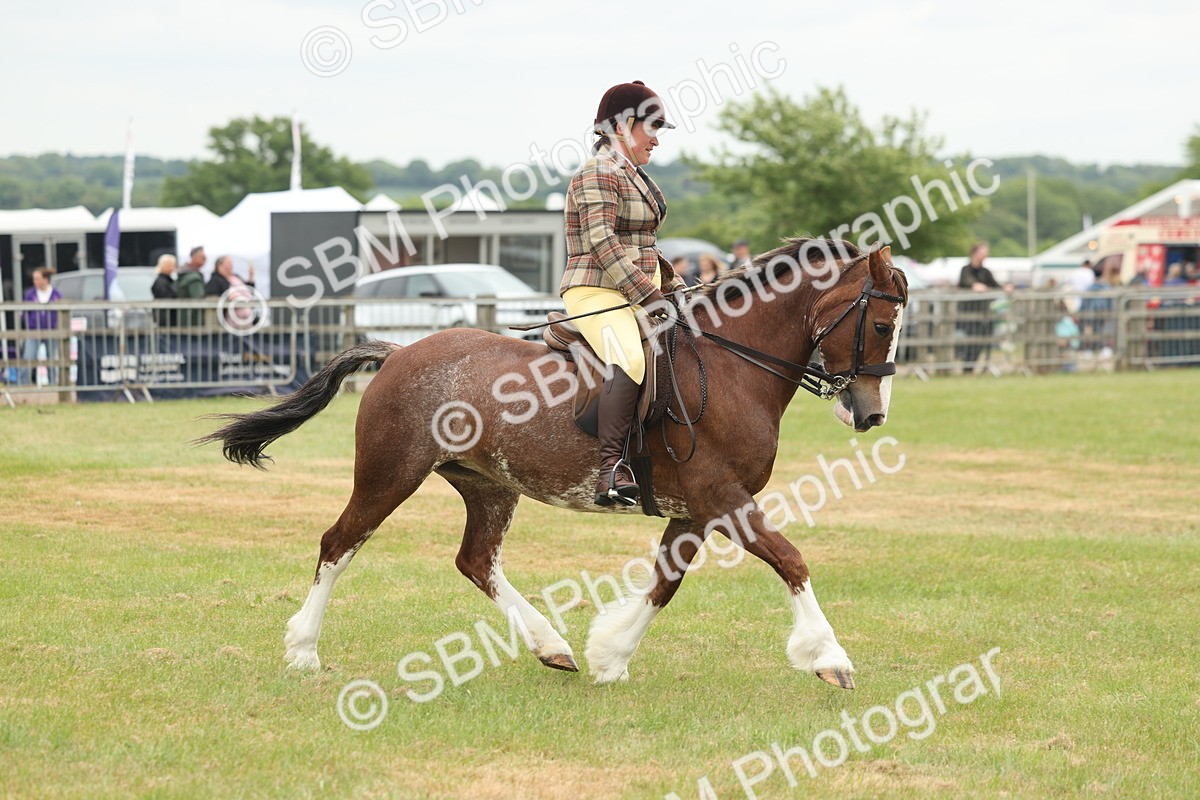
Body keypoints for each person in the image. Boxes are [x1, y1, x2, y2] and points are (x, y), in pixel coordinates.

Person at [560, 79, 685, 507]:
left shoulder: (636, 177)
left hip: (632, 291)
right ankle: (611, 469)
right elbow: (602, 241)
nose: (655, 139)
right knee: (629, 357)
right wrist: (648, 295)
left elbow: (644, 246)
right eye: (651, 127)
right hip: (594, 291)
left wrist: (676, 287)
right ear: (623, 125)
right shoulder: (597, 172)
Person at [956, 242, 1000, 371]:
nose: (985, 255)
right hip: (967, 313)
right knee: (969, 341)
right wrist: (974, 285)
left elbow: (995, 284)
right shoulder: (966, 269)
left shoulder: (985, 272)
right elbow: (966, 281)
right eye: (983, 252)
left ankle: (972, 367)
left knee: (980, 341)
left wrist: (1006, 287)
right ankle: (967, 367)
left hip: (982, 313)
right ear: (975, 253)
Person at [20, 267, 63, 386]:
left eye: (38, 279)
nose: (35, 282)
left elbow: (62, 313)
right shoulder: (30, 294)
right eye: (34, 279)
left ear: (45, 279)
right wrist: (29, 323)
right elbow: (24, 313)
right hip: (34, 331)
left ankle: (54, 386)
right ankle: (23, 386)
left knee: (52, 360)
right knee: (28, 357)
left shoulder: (56, 294)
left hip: (51, 331)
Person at [175, 246, 207, 326]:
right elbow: (199, 297)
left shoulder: (183, 273)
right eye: (203, 257)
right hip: (193, 320)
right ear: (193, 257)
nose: (205, 260)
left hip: (184, 318)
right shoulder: (193, 278)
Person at [151, 254, 178, 328]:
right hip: (165, 319)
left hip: (167, 318)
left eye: (173, 265)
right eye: (169, 265)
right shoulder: (161, 282)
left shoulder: (167, 280)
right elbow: (166, 297)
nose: (172, 268)